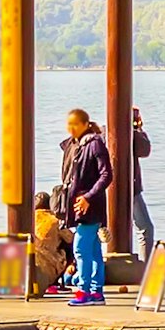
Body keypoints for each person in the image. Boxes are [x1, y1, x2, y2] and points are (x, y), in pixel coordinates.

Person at [58, 108, 114, 305]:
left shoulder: (95, 144)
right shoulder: (74, 145)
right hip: (77, 205)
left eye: (75, 124)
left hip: (90, 206)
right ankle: (96, 291)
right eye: (68, 124)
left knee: (81, 248)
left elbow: (106, 174)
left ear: (85, 124)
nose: (70, 128)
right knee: (93, 249)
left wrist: (88, 197)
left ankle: (84, 291)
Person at [124, 107, 159, 258]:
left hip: (107, 188)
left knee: (108, 230)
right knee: (145, 229)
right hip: (130, 188)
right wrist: (139, 129)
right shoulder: (133, 135)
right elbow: (145, 150)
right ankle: (144, 269)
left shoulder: (104, 133)